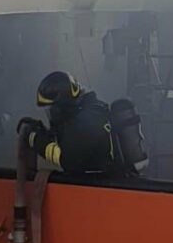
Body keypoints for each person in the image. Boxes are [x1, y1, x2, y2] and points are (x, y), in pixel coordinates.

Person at [17, 71, 148, 178]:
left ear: (63, 107)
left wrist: (33, 138)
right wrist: (42, 131)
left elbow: (66, 159)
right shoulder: (84, 115)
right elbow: (68, 141)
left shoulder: (88, 121)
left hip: (105, 189)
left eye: (52, 109)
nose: (50, 114)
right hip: (99, 188)